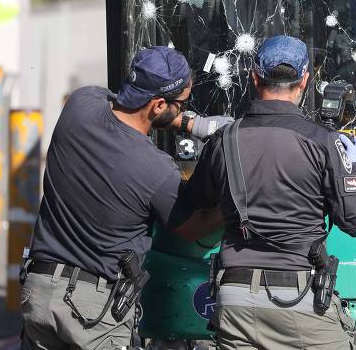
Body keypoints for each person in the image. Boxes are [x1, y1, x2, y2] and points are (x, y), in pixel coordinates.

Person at [20, 46, 231, 350]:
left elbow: (121, 105)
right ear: (159, 105)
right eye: (183, 104)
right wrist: (237, 200)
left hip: (38, 293)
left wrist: (184, 121)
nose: (185, 110)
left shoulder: (80, 105)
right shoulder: (155, 169)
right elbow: (194, 228)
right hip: (91, 310)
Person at [186, 35, 356, 350]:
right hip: (298, 301)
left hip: (234, 301)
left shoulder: (223, 140)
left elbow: (195, 203)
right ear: (304, 81)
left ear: (255, 78)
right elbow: (355, 222)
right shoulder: (325, 142)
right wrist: (353, 169)